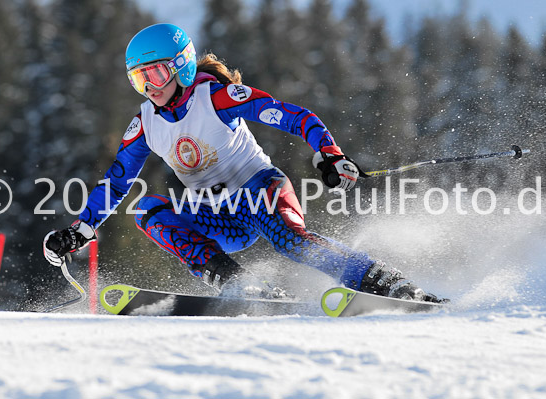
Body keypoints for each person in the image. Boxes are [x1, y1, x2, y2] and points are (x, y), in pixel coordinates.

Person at [43, 23, 442, 302]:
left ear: (182, 65)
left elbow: (293, 115)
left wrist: (330, 153)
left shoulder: (217, 96)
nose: (151, 87)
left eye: (158, 74)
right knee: (147, 210)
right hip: (215, 214)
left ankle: (384, 282)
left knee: (291, 242)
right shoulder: (145, 123)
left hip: (259, 192)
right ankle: (237, 282)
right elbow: (117, 181)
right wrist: (82, 228)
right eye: (139, 79)